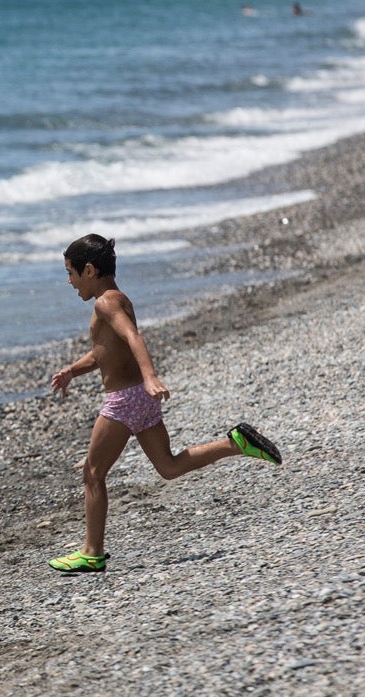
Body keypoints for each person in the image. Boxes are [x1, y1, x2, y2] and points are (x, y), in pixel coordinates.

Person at [46, 234, 282, 574]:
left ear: (89, 269)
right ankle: (234, 443)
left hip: (125, 401)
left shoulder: (105, 304)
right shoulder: (119, 299)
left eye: (70, 273)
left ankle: (91, 552)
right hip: (142, 401)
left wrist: (150, 376)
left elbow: (133, 338)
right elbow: (107, 352)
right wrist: (73, 370)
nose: (69, 282)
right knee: (168, 467)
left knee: (93, 473)